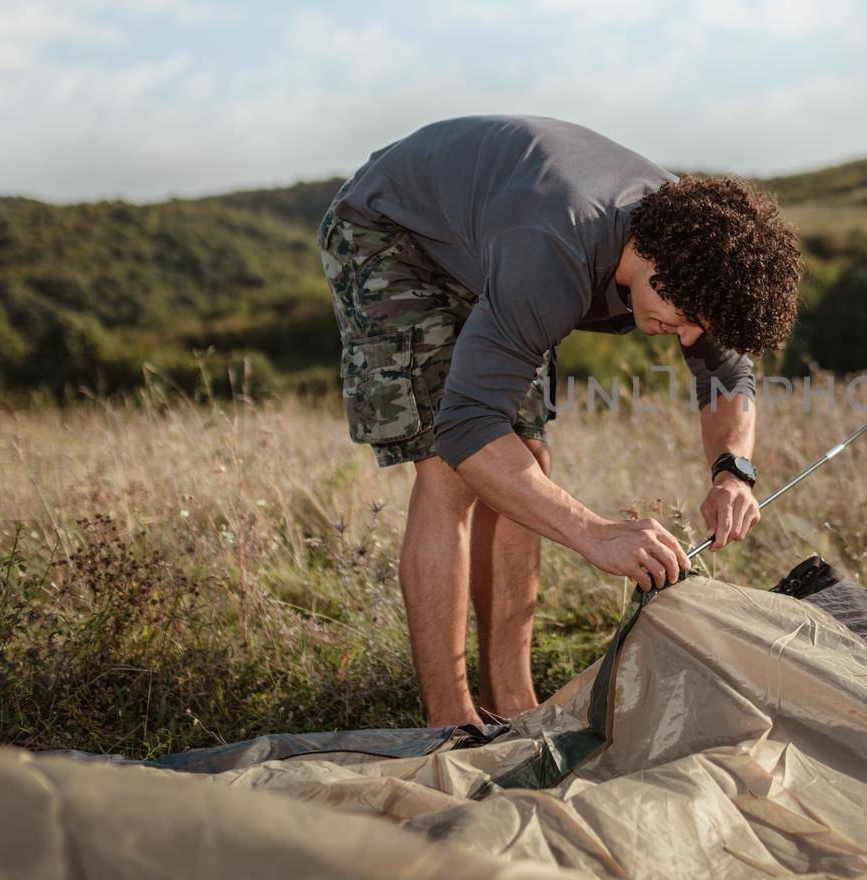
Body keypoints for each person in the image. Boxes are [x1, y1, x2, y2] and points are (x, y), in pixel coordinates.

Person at [319, 115, 801, 726]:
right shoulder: (554, 250)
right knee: (451, 471)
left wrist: (733, 473)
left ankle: (512, 703)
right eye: (679, 318)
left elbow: (727, 375)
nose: (683, 337)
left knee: (529, 461)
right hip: (394, 230)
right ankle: (450, 723)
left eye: (695, 328)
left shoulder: (702, 249)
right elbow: (467, 427)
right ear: (652, 258)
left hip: (491, 240)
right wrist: (595, 533)